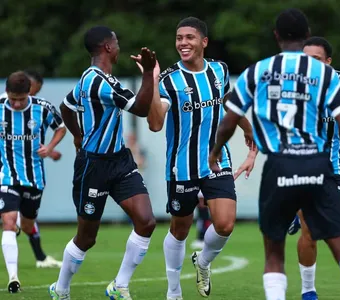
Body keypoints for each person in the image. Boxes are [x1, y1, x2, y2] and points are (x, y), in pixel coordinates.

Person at [209, 8, 340, 300]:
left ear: (275, 36)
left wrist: (215, 152)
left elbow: (228, 120)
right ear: (307, 35)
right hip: (318, 164)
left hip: (280, 165)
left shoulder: (257, 71)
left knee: (274, 253)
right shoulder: (324, 73)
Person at [144, 17, 255, 300]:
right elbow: (156, 123)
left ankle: (203, 262)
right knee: (180, 229)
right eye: (179, 38)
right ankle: (173, 290)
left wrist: (248, 130)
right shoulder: (169, 79)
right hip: (182, 167)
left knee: (226, 224)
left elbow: (229, 103)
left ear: (203, 42)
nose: (183, 43)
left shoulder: (219, 70)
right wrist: (153, 82)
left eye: (189, 37)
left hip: (217, 161)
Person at [48, 26, 157, 300]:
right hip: (93, 166)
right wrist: (147, 72)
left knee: (146, 221)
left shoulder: (94, 79)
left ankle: (119, 286)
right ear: (107, 47)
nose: (119, 47)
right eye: (116, 43)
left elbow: (66, 105)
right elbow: (142, 109)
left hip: (120, 161)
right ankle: (60, 289)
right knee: (87, 238)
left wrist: (77, 135)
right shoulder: (99, 82)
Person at [286, 36, 340, 300]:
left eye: (316, 59)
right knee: (310, 230)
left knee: (332, 232)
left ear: (328, 61)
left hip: (333, 168)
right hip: (301, 164)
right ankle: (308, 291)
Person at [0, 71, 66, 293]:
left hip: (34, 179)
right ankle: (13, 278)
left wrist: (49, 148)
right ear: (7, 93)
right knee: (8, 221)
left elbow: (61, 127)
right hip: (6, 175)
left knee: (27, 225)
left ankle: (34, 246)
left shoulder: (42, 107)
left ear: (29, 93)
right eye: (12, 99)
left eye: (21, 99)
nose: (17, 104)